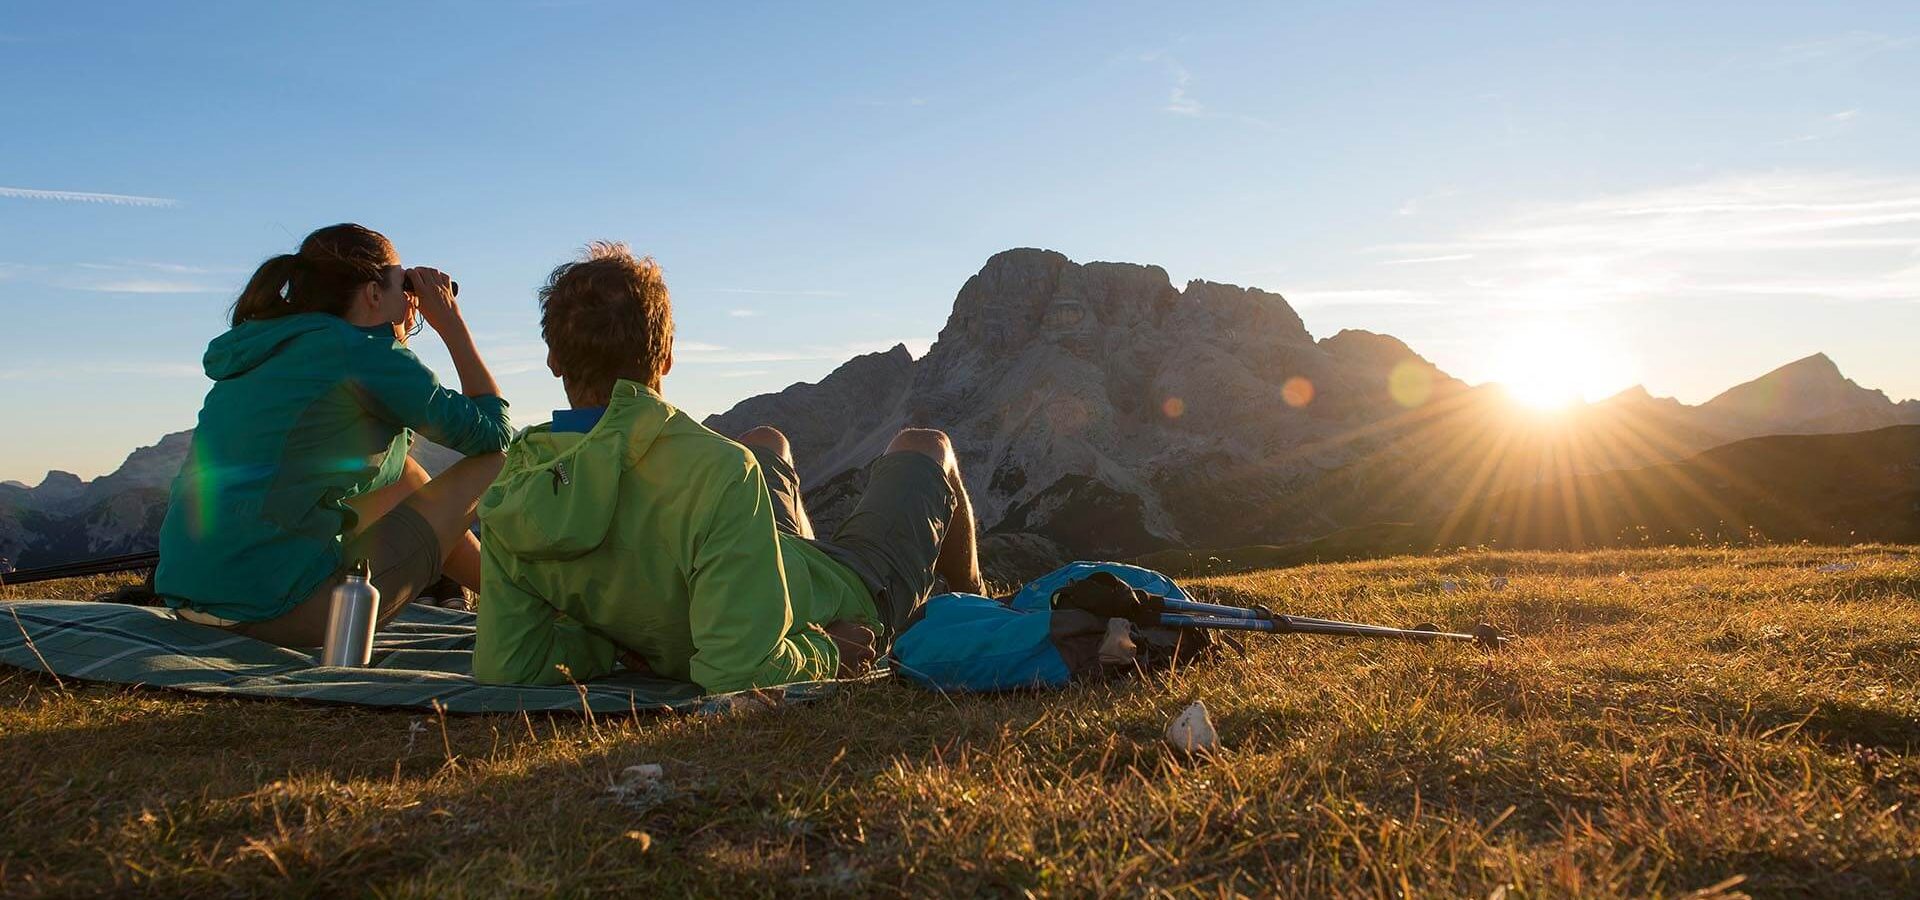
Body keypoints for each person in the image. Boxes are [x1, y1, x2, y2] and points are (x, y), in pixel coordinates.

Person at [473, 242, 983, 693]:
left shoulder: (517, 486)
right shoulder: (718, 469)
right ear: (666, 356)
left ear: (554, 362)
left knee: (768, 441)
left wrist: (616, 648)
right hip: (849, 596)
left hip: (751, 572)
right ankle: (976, 600)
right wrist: (831, 652)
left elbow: (510, 662)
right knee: (926, 444)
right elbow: (739, 673)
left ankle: (799, 563)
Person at [154, 224, 513, 646]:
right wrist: (451, 324)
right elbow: (493, 434)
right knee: (493, 463)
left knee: (405, 474)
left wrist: (392, 332)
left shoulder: (273, 342)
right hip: (284, 613)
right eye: (403, 281)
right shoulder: (361, 352)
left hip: (196, 603)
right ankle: (521, 598)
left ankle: (507, 596)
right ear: (373, 293)